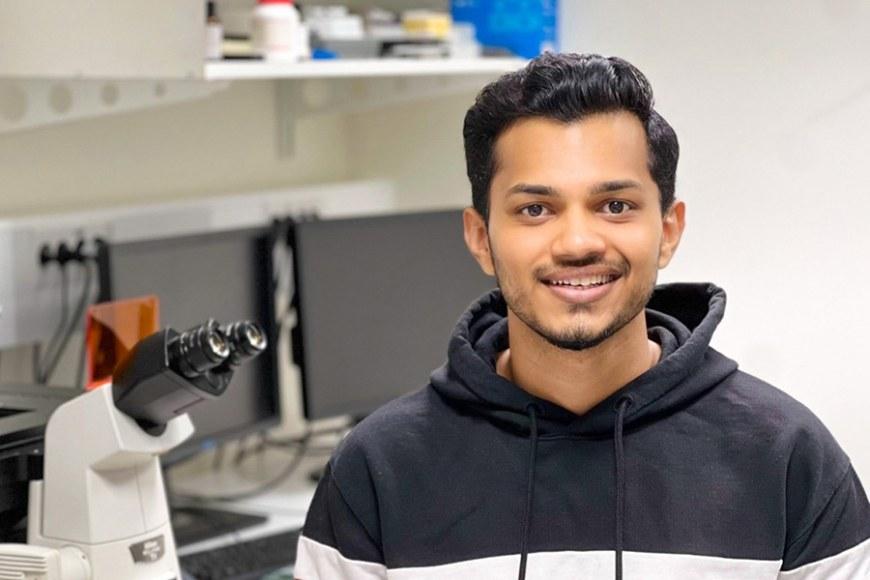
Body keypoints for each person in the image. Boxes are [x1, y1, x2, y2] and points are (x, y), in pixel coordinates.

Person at [293, 53, 870, 579]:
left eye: (615, 206)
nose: (576, 242)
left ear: (667, 231)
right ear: (480, 237)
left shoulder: (787, 457)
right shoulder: (376, 470)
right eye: (535, 208)